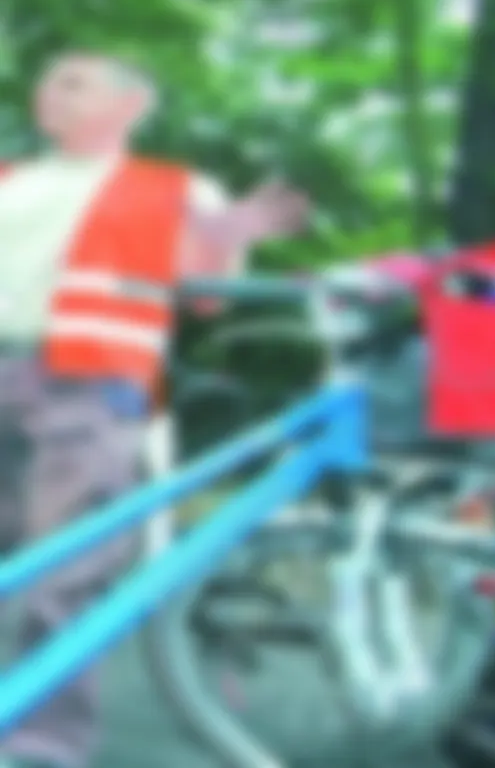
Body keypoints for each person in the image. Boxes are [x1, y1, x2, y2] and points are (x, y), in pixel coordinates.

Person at [0, 51, 307, 768]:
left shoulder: (174, 189)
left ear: (130, 105)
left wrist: (227, 237)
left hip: (87, 382)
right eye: (49, 85)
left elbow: (204, 293)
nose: (54, 93)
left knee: (66, 567)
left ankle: (42, 746)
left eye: (74, 80)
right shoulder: (11, 178)